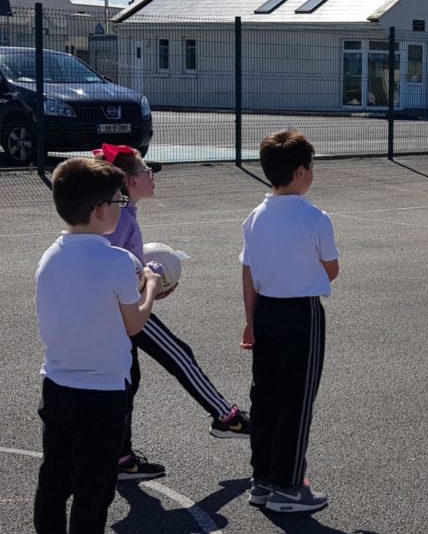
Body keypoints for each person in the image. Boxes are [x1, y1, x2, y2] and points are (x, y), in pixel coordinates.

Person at [94, 143, 251, 482]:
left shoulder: (122, 213)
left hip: (116, 308)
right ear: (130, 181)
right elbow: (110, 264)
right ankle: (226, 417)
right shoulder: (121, 219)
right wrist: (148, 279)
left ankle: (121, 458)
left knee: (127, 381)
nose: (153, 177)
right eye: (147, 172)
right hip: (123, 310)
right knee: (179, 355)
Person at [34, 157, 162, 534]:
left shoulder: (49, 256)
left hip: (57, 385)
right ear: (100, 209)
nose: (122, 207)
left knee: (54, 482)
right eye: (118, 200)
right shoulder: (117, 261)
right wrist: (153, 284)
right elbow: (134, 324)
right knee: (93, 491)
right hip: (103, 394)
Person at [240, 130, 339, 513]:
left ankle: (263, 479)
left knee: (265, 396)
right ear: (300, 172)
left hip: (264, 311)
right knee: (296, 400)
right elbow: (331, 269)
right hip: (301, 313)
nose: (312, 173)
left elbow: (248, 273)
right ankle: (288, 485)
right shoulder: (315, 218)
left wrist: (250, 321)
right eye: (311, 167)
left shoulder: (255, 216)